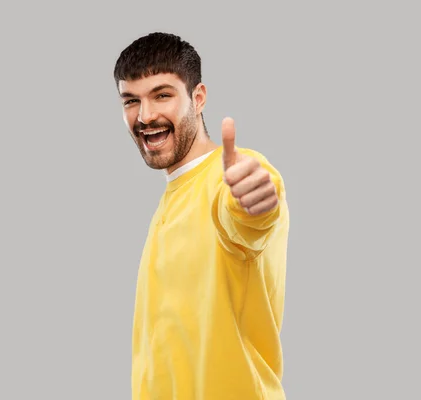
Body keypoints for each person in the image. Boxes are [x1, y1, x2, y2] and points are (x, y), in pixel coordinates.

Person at [113, 32, 290, 400]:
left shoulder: (232, 178)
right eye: (131, 100)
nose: (145, 116)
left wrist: (254, 204)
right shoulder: (171, 197)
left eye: (162, 95)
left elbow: (246, 217)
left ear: (198, 98)